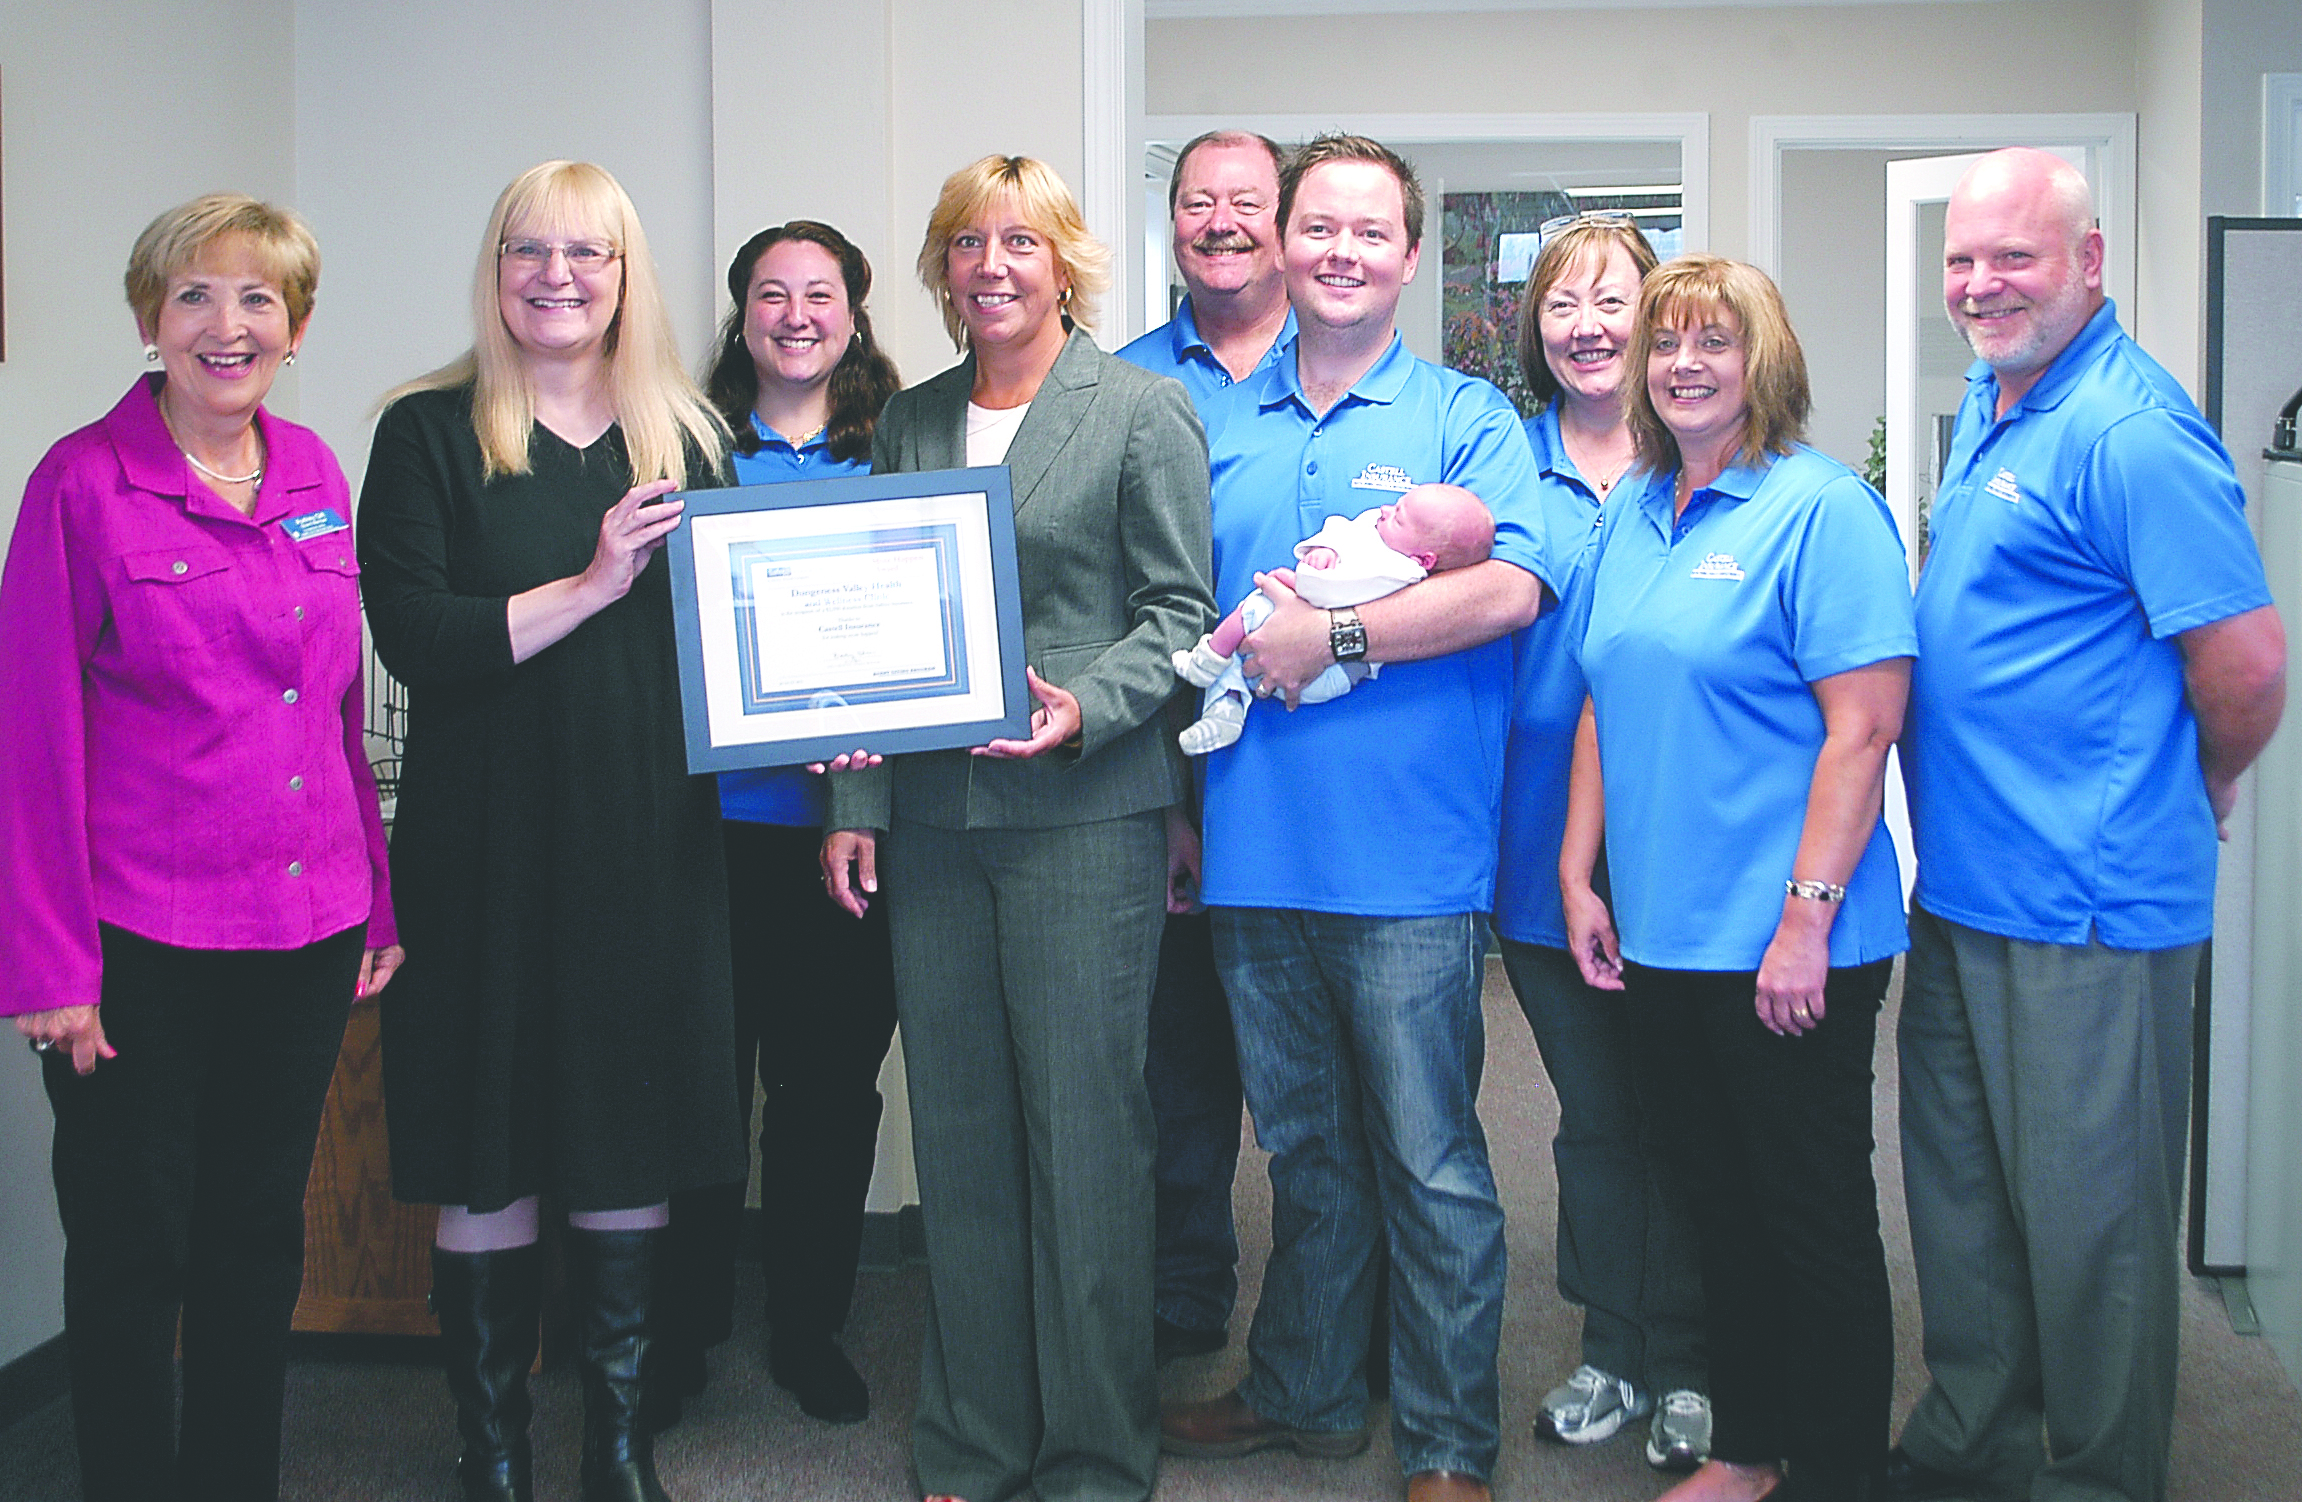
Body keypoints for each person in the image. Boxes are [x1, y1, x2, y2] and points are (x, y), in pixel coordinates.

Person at [1158, 134, 1552, 1502]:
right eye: (1313, 225)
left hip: (1408, 864)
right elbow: (1176, 626)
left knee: (1430, 1160)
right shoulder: (1203, 417)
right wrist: (1181, 814)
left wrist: (1339, 630)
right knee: (1306, 1149)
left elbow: (1509, 593)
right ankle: (1306, 1392)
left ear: (1407, 254)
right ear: (1279, 244)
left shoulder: (1465, 420)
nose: (1336, 250)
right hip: (1253, 848)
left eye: (1366, 231)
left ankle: (1447, 1446)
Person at [1889, 148, 2285, 1502]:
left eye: (2014, 255)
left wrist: (2205, 776)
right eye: (1961, 259)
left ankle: (2095, 1476)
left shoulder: (2127, 427)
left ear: (2089, 263)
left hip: (2088, 899)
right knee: (1962, 1194)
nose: (1980, 282)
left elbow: (2243, 665)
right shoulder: (2004, 403)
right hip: (1966, 883)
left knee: (2091, 1224)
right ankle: (1974, 1434)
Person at [818, 155, 1214, 1502]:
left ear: (1065, 263)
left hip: (1079, 820)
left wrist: (1084, 705)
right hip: (931, 823)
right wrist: (855, 804)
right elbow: (865, 634)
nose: (994, 265)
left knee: (1085, 1136)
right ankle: (975, 1436)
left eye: (1021, 242)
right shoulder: (910, 423)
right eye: (968, 244)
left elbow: (1177, 618)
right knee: (963, 1133)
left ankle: (1096, 1451)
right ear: (941, 271)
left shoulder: (1139, 410)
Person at [0, 193, 400, 1502]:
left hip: (303, 928)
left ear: (293, 328)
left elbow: (336, 713)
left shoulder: (312, 476)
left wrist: (375, 902)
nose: (227, 326)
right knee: (133, 1247)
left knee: (251, 1239)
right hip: (137, 944)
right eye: (194, 297)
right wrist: (49, 964)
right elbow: (33, 739)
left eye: (257, 300)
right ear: (147, 320)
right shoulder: (80, 483)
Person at [358, 160, 743, 1502]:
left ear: (625, 274)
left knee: (623, 1127)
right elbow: (417, 637)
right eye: (529, 250)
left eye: (589, 253)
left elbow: (738, 645)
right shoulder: (423, 432)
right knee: (490, 1130)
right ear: (495, 267)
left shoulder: (687, 439)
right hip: (481, 845)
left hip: (648, 834)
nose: (558, 277)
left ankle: (618, 1448)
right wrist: (587, 584)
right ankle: (492, 1451)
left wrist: (828, 709)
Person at [1561, 254, 1913, 1502]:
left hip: (1789, 942)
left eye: (1713, 341)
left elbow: (1862, 728)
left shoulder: (1822, 511)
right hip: (1663, 936)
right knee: (1716, 1204)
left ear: (1763, 360)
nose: (1684, 364)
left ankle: (1837, 1472)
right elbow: (1606, 686)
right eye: (1666, 344)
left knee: (1809, 1219)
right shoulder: (1635, 508)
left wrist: (1804, 923)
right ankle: (1750, 1450)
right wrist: (1576, 869)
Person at [650, 219, 904, 1432]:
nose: (795, 313)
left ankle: (809, 1326)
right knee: (698, 1087)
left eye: (819, 293)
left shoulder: (907, 445)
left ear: (854, 311)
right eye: (770, 293)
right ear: (740, 312)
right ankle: (679, 1333)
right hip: (702, 831)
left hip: (848, 837)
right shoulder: (679, 442)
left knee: (826, 1091)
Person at [1490, 216, 1713, 1472]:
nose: (1585, 324)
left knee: (1682, 1104)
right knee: (1592, 1113)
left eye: (1610, 299)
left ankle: (1691, 1359)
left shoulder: (1698, 463)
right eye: (1561, 303)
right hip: (1534, 848)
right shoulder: (1498, 458)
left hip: (1678, 845)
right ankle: (1613, 1345)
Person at [1115, 127, 1295, 1366]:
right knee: (1176, 1067)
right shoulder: (1119, 384)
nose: (1220, 221)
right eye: (1196, 202)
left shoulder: (1341, 371)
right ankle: (1184, 1290)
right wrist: (1171, 794)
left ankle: (1346, 1319)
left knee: (1319, 1086)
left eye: (1245, 202)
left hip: (1315, 784)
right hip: (1163, 781)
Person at [1173, 482, 1494, 753]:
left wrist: (1296, 582)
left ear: (1424, 558)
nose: (1385, 510)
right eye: (1396, 504)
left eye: (1398, 518)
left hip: (1333, 673)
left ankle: (1208, 659)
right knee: (1250, 653)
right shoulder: (1379, 534)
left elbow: (1336, 593)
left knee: (1255, 606)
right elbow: (1342, 530)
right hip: (1323, 667)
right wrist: (1327, 550)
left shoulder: (1399, 572)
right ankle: (1226, 711)